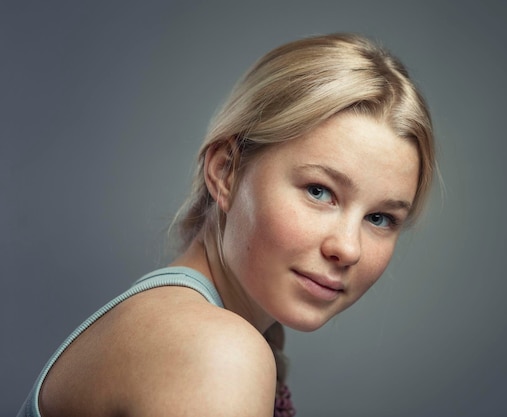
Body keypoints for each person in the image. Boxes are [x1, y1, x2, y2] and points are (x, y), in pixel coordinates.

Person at [18, 32, 435, 417]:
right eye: (319, 191)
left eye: (380, 218)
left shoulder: (186, 325)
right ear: (225, 172)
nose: (348, 248)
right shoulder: (214, 349)